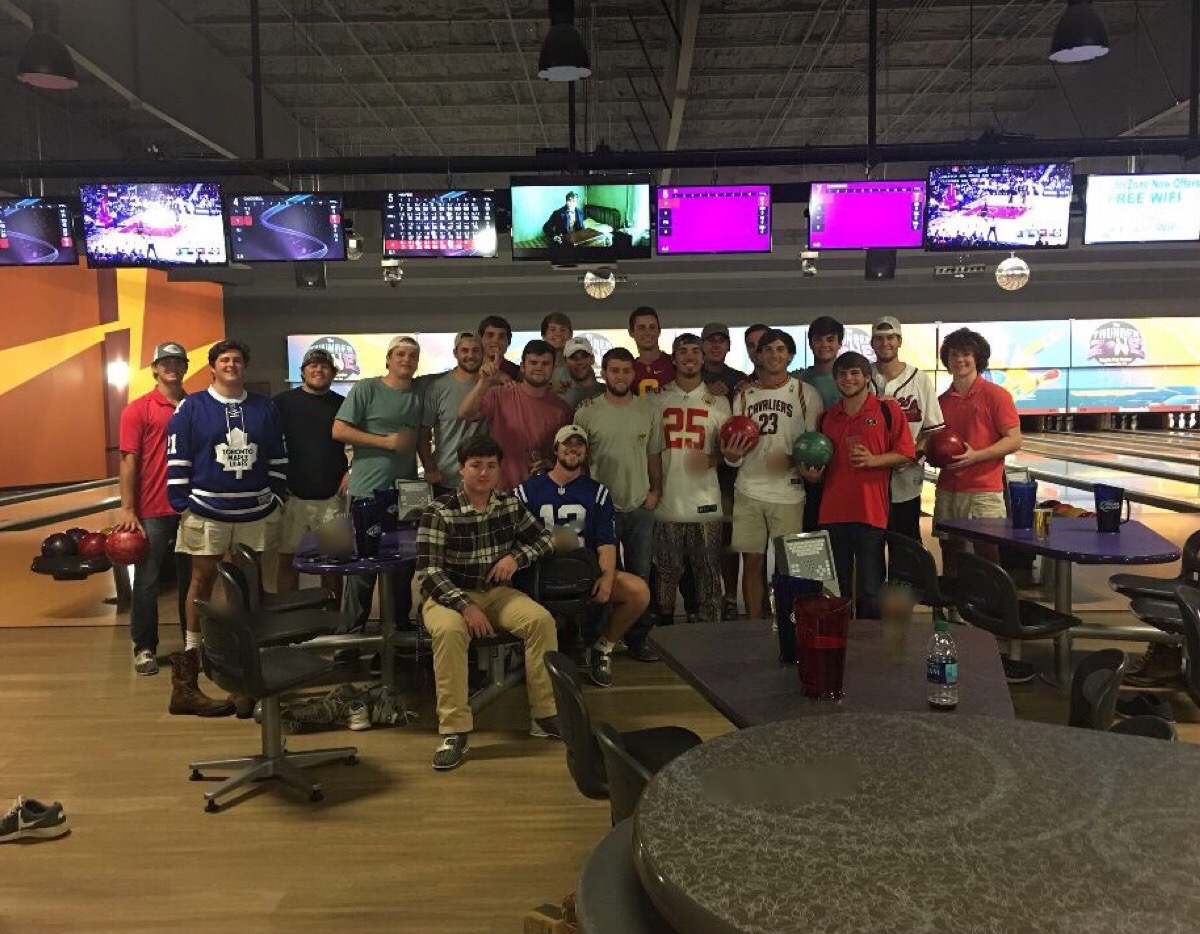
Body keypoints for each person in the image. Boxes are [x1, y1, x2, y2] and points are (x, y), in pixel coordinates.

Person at [416, 435, 559, 772]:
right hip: (448, 596)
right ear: (461, 469)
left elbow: (547, 538)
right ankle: (454, 731)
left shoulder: (509, 504)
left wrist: (516, 557)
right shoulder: (439, 511)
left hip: (496, 593)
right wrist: (465, 606)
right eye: (476, 465)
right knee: (450, 633)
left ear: (499, 470)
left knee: (541, 621)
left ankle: (545, 715)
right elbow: (429, 572)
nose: (484, 472)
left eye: (491, 466)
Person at [167, 339, 286, 717]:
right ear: (213, 368)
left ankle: (242, 678)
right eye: (224, 360)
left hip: (255, 509)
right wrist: (181, 502)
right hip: (206, 508)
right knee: (201, 582)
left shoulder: (264, 408)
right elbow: (177, 454)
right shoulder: (192, 407)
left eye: (237, 360)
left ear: (244, 367)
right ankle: (187, 679)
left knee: (246, 588)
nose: (231, 364)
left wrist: (276, 495)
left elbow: (277, 455)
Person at [516, 425, 651, 688]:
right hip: (537, 575)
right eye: (567, 444)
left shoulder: (597, 492)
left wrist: (607, 576)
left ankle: (603, 647)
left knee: (638, 592)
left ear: (586, 452)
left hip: (582, 576)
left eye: (579, 445)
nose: (573, 449)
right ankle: (523, 653)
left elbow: (606, 541)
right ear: (556, 449)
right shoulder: (527, 490)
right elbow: (514, 537)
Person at [934, 328, 1026, 681]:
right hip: (948, 489)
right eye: (954, 354)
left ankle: (994, 625)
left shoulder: (995, 395)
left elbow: (1014, 440)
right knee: (951, 553)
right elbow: (933, 441)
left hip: (985, 490)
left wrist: (977, 456)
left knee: (988, 559)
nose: (960, 359)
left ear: (978, 358)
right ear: (947, 359)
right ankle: (956, 621)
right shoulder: (941, 401)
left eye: (966, 353)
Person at [332, 336, 433, 638]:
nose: (406, 360)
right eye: (400, 354)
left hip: (407, 494)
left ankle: (398, 633)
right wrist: (384, 442)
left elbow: (422, 437)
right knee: (362, 568)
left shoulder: (420, 393)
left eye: (412, 355)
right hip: (367, 492)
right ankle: (350, 637)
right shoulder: (366, 388)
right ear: (388, 358)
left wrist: (430, 469)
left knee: (404, 566)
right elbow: (339, 430)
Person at [727, 328, 824, 622]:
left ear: (791, 356)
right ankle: (753, 625)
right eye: (768, 349)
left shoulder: (806, 393)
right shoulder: (744, 394)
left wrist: (794, 460)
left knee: (791, 566)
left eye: (781, 349)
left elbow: (815, 446)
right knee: (752, 563)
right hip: (749, 488)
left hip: (789, 492)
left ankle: (789, 624)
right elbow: (734, 448)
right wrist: (731, 456)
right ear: (758, 355)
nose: (774, 355)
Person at [573, 348, 664, 661]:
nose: (621, 376)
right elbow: (579, 461)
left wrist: (656, 491)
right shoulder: (586, 412)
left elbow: (654, 454)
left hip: (639, 505)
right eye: (614, 370)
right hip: (601, 511)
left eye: (626, 370)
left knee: (640, 574)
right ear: (604, 373)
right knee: (602, 576)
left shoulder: (648, 410)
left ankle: (638, 639)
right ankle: (598, 640)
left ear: (633, 373)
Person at [815, 352, 915, 619]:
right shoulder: (827, 417)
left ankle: (870, 642)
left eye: (855, 373)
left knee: (871, 590)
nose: (848, 379)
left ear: (867, 377)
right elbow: (821, 468)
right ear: (835, 379)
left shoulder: (887, 410)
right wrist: (811, 472)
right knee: (837, 590)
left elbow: (906, 452)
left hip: (871, 513)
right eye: (842, 374)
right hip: (832, 514)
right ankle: (839, 638)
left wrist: (874, 460)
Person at [115, 341, 192, 676]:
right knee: (147, 581)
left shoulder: (195, 405)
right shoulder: (138, 409)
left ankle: (192, 644)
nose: (172, 367)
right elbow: (128, 461)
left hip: (191, 507)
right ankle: (144, 647)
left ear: (185, 367)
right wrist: (127, 508)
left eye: (178, 362)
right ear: (155, 369)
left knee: (193, 580)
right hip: (152, 507)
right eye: (166, 362)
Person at [652, 334, 731, 625]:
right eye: (682, 351)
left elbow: (730, 451)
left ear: (703, 357)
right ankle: (663, 634)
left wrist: (712, 459)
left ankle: (711, 632)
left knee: (708, 569)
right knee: (665, 570)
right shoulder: (655, 399)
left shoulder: (719, 402)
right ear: (673, 358)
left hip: (705, 499)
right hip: (667, 499)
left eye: (695, 351)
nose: (689, 356)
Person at [273, 347, 349, 596]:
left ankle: (333, 615)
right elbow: (267, 443)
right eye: (313, 366)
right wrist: (276, 481)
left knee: (334, 563)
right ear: (303, 371)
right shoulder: (282, 403)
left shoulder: (343, 404)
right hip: (292, 497)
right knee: (288, 560)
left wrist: (352, 470)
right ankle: (288, 613)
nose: (319, 370)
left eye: (324, 366)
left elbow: (359, 440)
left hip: (332, 498)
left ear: (333, 373)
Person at [458, 339, 573, 492]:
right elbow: (466, 413)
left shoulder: (562, 409)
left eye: (545, 364)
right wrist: (484, 382)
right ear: (523, 367)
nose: (539, 368)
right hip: (501, 491)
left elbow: (565, 455)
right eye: (533, 363)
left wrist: (552, 464)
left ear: (553, 368)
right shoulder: (499, 395)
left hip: (540, 492)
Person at [870, 316, 944, 543]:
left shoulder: (919, 379)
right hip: (870, 477)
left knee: (907, 542)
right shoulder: (861, 377)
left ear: (899, 341)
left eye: (891, 338)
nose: (885, 343)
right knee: (872, 543)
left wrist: (911, 454)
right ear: (872, 343)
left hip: (908, 476)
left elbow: (933, 429)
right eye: (879, 339)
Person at [700, 322, 748, 619]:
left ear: (729, 346)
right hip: (694, 473)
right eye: (711, 340)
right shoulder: (690, 377)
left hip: (728, 474)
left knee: (728, 541)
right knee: (701, 542)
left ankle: (730, 597)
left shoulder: (739, 380)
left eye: (722, 340)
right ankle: (705, 597)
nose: (716, 345)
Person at [421, 332, 488, 498]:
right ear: (455, 353)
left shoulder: (493, 386)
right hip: (446, 479)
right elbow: (423, 434)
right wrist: (430, 469)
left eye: (476, 350)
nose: (470, 355)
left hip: (484, 477)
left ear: (483, 353)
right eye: (464, 350)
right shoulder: (437, 388)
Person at [798, 315, 844, 531]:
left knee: (840, 534)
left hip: (843, 465)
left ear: (839, 343)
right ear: (810, 344)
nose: (824, 344)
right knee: (812, 532)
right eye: (818, 339)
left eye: (830, 339)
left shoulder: (852, 380)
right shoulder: (799, 380)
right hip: (809, 466)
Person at [628, 306, 675, 396]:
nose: (647, 332)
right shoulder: (628, 369)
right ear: (631, 332)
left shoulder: (674, 363)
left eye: (652, 327)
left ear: (659, 331)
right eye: (641, 328)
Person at [557, 336, 605, 408]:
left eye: (584, 356)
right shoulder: (557, 396)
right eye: (573, 357)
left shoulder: (608, 393)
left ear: (592, 359)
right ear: (565, 361)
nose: (579, 362)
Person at [478, 314, 521, 382]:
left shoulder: (518, 372)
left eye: (501, 337)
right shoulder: (470, 368)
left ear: (509, 341)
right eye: (490, 335)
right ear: (480, 339)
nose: (495, 341)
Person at [540, 311, 574, 389]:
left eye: (563, 330)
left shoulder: (577, 365)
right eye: (552, 329)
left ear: (571, 335)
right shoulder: (533, 365)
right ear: (543, 335)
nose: (558, 333)